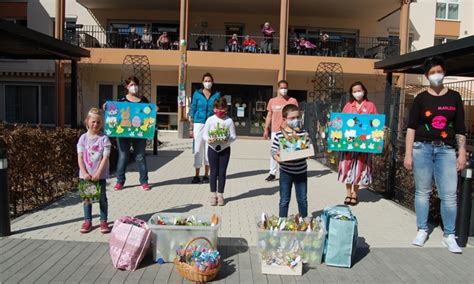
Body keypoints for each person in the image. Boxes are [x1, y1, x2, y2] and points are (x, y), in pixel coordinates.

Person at [404, 56, 466, 253]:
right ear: (426, 76)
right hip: (422, 149)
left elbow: (460, 129)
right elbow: (411, 128)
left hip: (446, 150)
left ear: (444, 72)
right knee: (422, 192)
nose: (436, 75)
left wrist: (461, 152)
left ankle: (449, 235)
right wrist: (408, 154)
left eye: (438, 71)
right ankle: (422, 229)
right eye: (431, 73)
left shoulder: (455, 97)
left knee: (449, 194)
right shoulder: (420, 98)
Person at [338, 81, 378, 206]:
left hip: (363, 144)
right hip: (348, 144)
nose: (357, 93)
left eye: (359, 90)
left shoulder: (370, 106)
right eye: (354, 91)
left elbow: (376, 123)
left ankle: (355, 193)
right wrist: (334, 124)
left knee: (360, 168)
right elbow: (340, 122)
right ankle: (348, 193)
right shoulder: (348, 106)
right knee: (348, 167)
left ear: (364, 91)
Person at [271, 104, 309, 218]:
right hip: (285, 172)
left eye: (297, 117)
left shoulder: (303, 133)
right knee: (284, 200)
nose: (296, 120)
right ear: (284, 119)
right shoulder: (279, 135)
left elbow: (308, 148)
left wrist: (308, 147)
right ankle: (282, 223)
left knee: (302, 199)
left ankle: (303, 222)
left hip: (301, 172)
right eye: (292, 118)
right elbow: (273, 150)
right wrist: (277, 157)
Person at [77, 108, 111, 234]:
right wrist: (84, 173)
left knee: (102, 199)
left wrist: (98, 173)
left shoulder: (104, 139)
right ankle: (87, 221)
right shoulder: (83, 139)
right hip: (86, 175)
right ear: (87, 122)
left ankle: (103, 221)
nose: (95, 124)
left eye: (98, 122)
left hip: (99, 176)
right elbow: (80, 157)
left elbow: (105, 157)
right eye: (93, 122)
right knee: (87, 199)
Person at [113, 76, 151, 191]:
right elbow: (115, 112)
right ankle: (120, 181)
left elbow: (148, 114)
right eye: (131, 85)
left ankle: (144, 182)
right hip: (123, 134)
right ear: (127, 87)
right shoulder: (121, 101)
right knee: (123, 156)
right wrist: (107, 107)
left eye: (135, 85)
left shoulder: (143, 100)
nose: (133, 87)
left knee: (140, 156)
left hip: (139, 134)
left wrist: (154, 109)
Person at [203, 97, 236, 206]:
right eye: (217, 109)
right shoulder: (210, 120)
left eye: (222, 109)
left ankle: (220, 194)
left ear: (226, 108)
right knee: (213, 172)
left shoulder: (229, 121)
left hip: (224, 149)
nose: (220, 111)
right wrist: (208, 140)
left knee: (222, 173)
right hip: (212, 148)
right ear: (214, 109)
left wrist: (226, 141)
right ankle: (213, 194)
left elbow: (233, 136)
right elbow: (204, 134)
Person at [263, 80, 298, 181]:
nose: (284, 90)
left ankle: (288, 172)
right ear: (278, 89)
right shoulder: (272, 101)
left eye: (285, 88)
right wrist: (266, 129)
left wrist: (296, 129)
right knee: (274, 151)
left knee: (289, 151)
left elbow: (296, 116)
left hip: (289, 131)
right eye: (282, 88)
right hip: (275, 131)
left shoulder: (293, 100)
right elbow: (269, 115)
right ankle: (272, 173)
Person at [189, 73, 221, 183]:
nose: (207, 82)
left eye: (209, 80)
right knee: (198, 148)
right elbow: (192, 108)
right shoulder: (197, 94)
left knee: (209, 149)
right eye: (206, 80)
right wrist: (191, 126)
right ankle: (196, 174)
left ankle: (207, 175)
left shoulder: (216, 94)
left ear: (212, 82)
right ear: (202, 82)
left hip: (211, 123)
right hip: (199, 123)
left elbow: (218, 108)